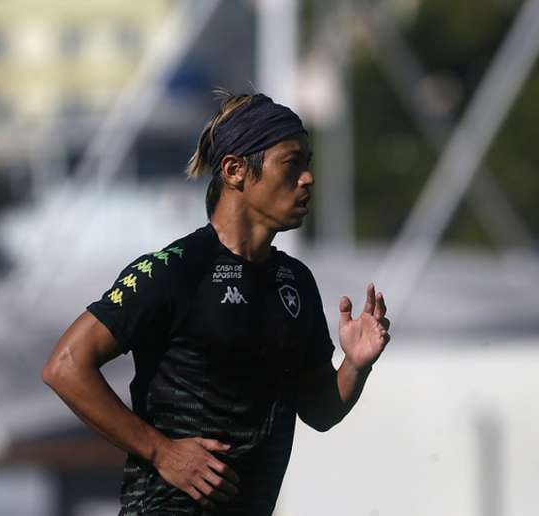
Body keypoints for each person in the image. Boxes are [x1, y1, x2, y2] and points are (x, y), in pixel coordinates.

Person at [42, 91, 391, 515]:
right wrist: (161, 452)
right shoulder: (175, 269)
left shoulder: (294, 282)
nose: (307, 178)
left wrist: (355, 365)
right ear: (235, 171)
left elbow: (320, 411)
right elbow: (65, 366)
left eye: (308, 163)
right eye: (292, 162)